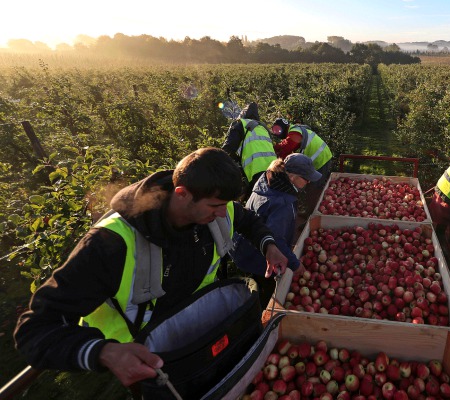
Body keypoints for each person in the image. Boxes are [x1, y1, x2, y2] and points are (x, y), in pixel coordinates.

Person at [14, 147, 288, 389]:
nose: (222, 213)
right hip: (149, 359)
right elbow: (33, 329)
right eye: (215, 206)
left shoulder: (216, 208)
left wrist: (269, 246)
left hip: (203, 336)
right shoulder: (111, 244)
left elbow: (247, 219)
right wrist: (104, 352)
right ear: (182, 194)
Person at [230, 153, 321, 302]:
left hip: (243, 245)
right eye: (306, 178)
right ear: (292, 177)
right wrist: (295, 265)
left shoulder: (268, 181)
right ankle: (259, 309)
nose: (309, 182)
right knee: (265, 290)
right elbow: (276, 240)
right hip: (256, 256)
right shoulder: (282, 204)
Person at [271, 118, 333, 215]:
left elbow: (287, 147)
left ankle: (311, 215)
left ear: (285, 127)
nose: (277, 132)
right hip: (321, 157)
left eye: (278, 130)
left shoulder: (295, 132)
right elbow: (285, 144)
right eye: (274, 130)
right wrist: (276, 148)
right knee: (310, 187)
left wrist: (276, 162)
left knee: (313, 188)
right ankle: (309, 212)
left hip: (321, 159)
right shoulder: (296, 130)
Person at [221, 102, 277, 198]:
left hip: (256, 172)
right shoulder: (264, 128)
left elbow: (228, 149)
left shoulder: (240, 124)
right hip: (275, 170)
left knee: (256, 205)